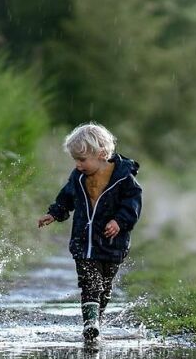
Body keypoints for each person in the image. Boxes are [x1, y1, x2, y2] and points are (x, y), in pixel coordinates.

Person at [37, 122, 142, 343]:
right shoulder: (78, 178)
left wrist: (119, 221)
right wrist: (55, 213)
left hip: (112, 242)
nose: (78, 165)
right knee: (89, 282)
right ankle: (90, 323)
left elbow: (132, 204)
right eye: (75, 160)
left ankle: (97, 320)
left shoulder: (124, 178)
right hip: (84, 242)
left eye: (82, 160)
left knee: (104, 286)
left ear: (102, 154)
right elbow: (66, 197)